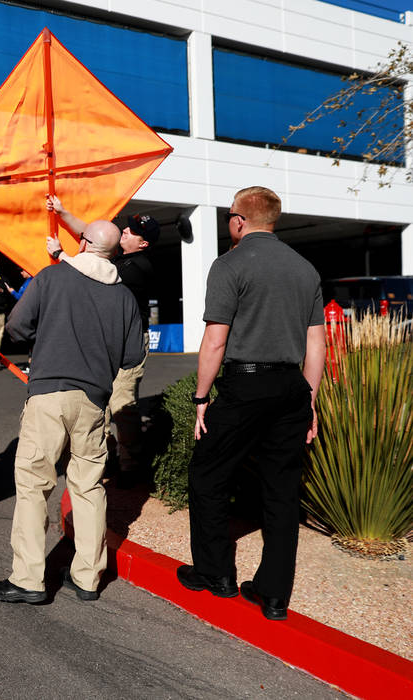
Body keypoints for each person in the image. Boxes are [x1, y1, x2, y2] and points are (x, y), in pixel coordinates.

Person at [177, 186, 325, 621]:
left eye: (228, 217)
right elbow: (316, 344)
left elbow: (215, 340)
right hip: (291, 389)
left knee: (208, 473)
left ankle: (215, 573)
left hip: (244, 387)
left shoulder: (230, 264)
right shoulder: (304, 269)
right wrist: (309, 401)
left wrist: (201, 398)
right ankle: (273, 595)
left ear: (240, 220)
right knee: (281, 492)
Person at [0, 220, 143, 604]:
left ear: (84, 243)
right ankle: (88, 577)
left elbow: (18, 327)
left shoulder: (51, 278)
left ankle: (29, 579)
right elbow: (132, 355)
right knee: (88, 487)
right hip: (93, 400)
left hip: (49, 393)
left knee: (34, 485)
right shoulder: (125, 297)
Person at [47, 196, 159, 486]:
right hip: (106, 341)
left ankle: (132, 466)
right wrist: (63, 213)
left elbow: (91, 274)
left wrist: (61, 256)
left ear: (143, 243)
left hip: (128, 344)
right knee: (100, 404)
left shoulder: (138, 266)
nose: (125, 231)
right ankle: (106, 458)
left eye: (132, 232)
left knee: (123, 405)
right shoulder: (121, 256)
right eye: (126, 228)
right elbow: (92, 234)